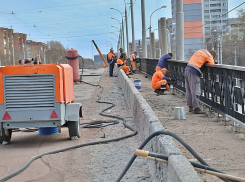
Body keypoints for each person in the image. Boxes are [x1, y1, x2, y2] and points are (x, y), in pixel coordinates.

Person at [185, 49, 216, 114]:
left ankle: (190, 106)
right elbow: (212, 64)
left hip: (187, 69)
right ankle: (196, 108)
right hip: (194, 72)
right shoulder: (209, 56)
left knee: (189, 90)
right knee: (195, 90)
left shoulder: (200, 51)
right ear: (212, 55)